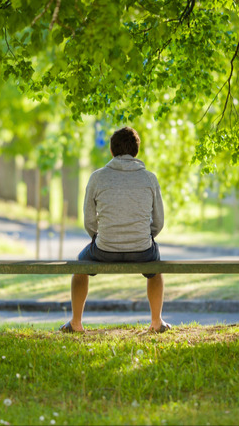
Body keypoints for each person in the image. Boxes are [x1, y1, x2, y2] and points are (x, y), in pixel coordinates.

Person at [61, 126, 170, 333]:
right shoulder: (149, 178)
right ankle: (156, 322)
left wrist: (100, 237)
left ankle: (76, 322)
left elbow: (89, 220)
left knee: (80, 266)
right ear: (136, 151)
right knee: (155, 269)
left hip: (104, 249)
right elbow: (159, 221)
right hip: (142, 250)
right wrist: (145, 237)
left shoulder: (97, 177)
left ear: (111, 151)